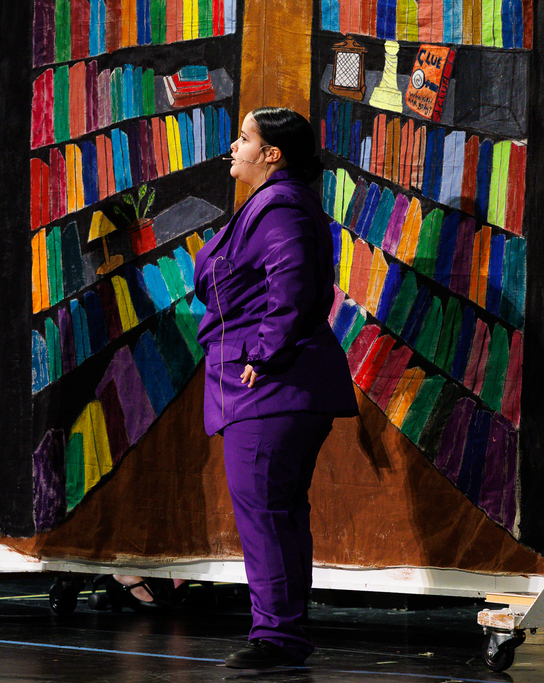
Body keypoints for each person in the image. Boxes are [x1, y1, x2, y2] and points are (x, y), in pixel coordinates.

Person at [192, 107, 359, 669]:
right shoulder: (267, 205)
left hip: (270, 386)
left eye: (244, 139)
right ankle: (283, 629)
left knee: (265, 508)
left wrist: (264, 354)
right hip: (272, 385)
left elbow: (292, 281)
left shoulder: (279, 205)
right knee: (277, 509)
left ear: (272, 154)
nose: (232, 148)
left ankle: (278, 636)